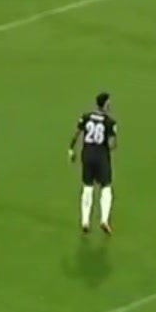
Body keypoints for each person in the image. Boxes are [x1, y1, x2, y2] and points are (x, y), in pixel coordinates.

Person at [68, 92, 117, 234]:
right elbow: (112, 144)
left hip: (87, 155)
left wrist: (71, 149)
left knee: (87, 187)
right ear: (105, 104)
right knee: (106, 187)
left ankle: (85, 221)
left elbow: (77, 133)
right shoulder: (109, 122)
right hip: (101, 157)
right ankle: (104, 220)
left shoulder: (86, 117)